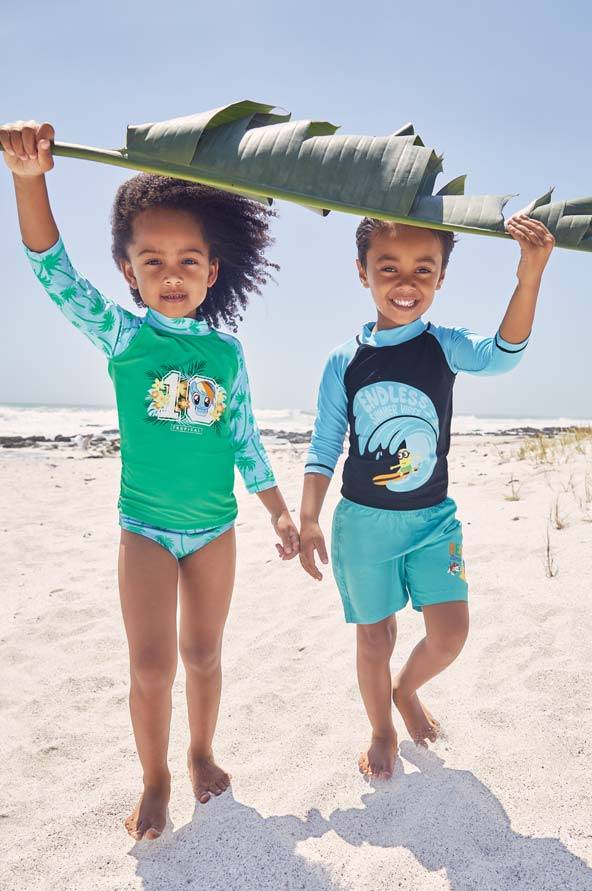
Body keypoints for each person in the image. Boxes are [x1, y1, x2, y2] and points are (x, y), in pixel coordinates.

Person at [1, 120, 299, 840]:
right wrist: (28, 180)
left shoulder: (227, 354)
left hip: (215, 530)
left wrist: (278, 511)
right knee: (153, 667)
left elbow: (243, 437)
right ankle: (155, 777)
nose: (172, 274)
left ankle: (200, 753)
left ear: (212, 271)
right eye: (153, 261)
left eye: (188, 261)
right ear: (128, 272)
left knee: (204, 655)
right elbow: (52, 271)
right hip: (145, 530)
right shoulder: (124, 336)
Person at [298, 212, 554, 779]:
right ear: (362, 271)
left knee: (450, 633)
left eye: (423, 269)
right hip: (364, 525)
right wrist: (309, 516)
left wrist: (529, 276)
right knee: (376, 636)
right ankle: (381, 729)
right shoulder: (344, 361)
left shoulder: (444, 345)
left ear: (441, 276)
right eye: (388, 268)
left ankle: (405, 688)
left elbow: (503, 354)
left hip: (434, 521)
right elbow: (325, 442)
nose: (406, 283)